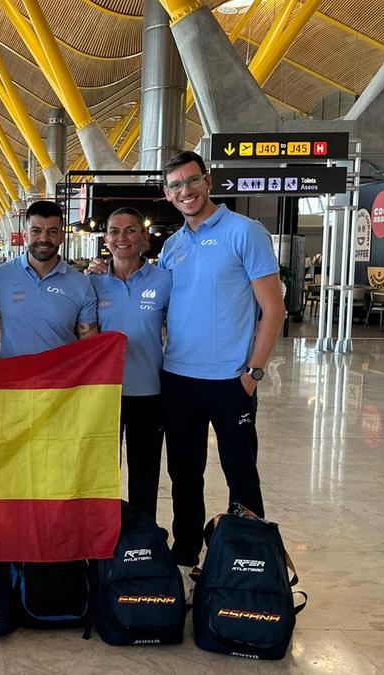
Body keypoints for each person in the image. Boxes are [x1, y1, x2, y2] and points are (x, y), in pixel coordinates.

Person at [155, 150, 284, 601]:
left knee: (240, 473)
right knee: (184, 474)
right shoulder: (172, 247)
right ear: (168, 195)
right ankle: (187, 553)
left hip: (231, 382)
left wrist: (253, 372)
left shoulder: (244, 233)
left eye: (191, 181)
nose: (185, 191)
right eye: (175, 186)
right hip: (179, 379)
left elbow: (274, 309)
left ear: (207, 182)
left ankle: (250, 558)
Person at [88, 207, 172, 520]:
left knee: (145, 473)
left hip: (148, 392)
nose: (122, 237)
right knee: (101, 471)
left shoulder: (164, 281)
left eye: (131, 230)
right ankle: (102, 535)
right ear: (106, 238)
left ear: (144, 237)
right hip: (103, 393)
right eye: (115, 231)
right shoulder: (92, 284)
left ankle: (142, 538)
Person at [0, 199, 98, 358]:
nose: (43, 239)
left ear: (61, 237)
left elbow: (88, 344)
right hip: (12, 378)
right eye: (36, 231)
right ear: (25, 235)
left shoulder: (81, 284)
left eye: (52, 231)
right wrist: (1, 350)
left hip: (60, 380)